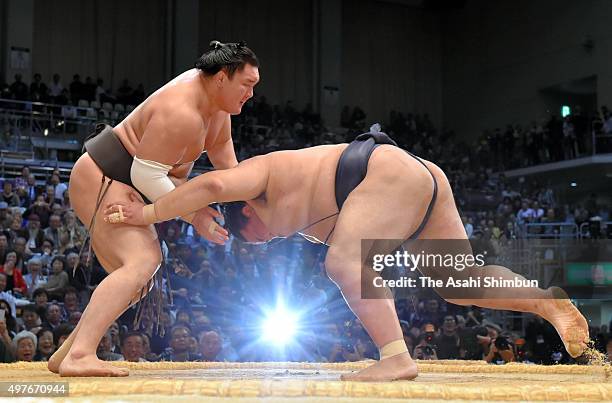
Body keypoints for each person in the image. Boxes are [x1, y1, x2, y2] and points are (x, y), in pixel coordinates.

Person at [107, 127, 590, 382]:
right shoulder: (303, 221)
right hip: (414, 179)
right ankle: (547, 302)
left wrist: (148, 215)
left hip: (381, 171)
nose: (271, 240)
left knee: (342, 262)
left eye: (257, 236)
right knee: (458, 282)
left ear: (246, 214)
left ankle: (397, 357)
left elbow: (209, 183)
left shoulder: (257, 176)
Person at [50, 40, 259, 377]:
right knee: (143, 261)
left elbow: (222, 152)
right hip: (107, 176)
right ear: (222, 77)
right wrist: (195, 215)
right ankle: (81, 355)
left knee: (140, 280)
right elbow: (146, 174)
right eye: (247, 85)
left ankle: (69, 353)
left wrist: (249, 195)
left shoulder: (218, 107)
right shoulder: (182, 111)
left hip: (132, 181)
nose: (250, 94)